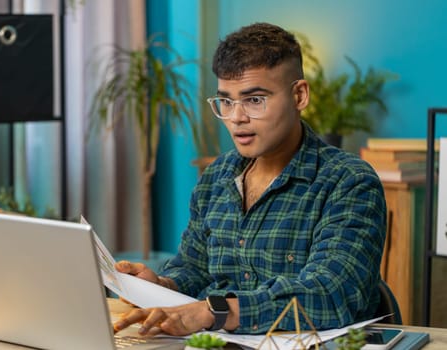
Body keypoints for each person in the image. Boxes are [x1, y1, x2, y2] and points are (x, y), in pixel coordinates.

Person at [114, 22, 386, 336]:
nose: (236, 117)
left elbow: (330, 294)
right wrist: (161, 286)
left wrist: (213, 311)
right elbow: (194, 269)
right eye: (226, 101)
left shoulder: (348, 181)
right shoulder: (216, 178)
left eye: (255, 100)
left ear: (299, 95)